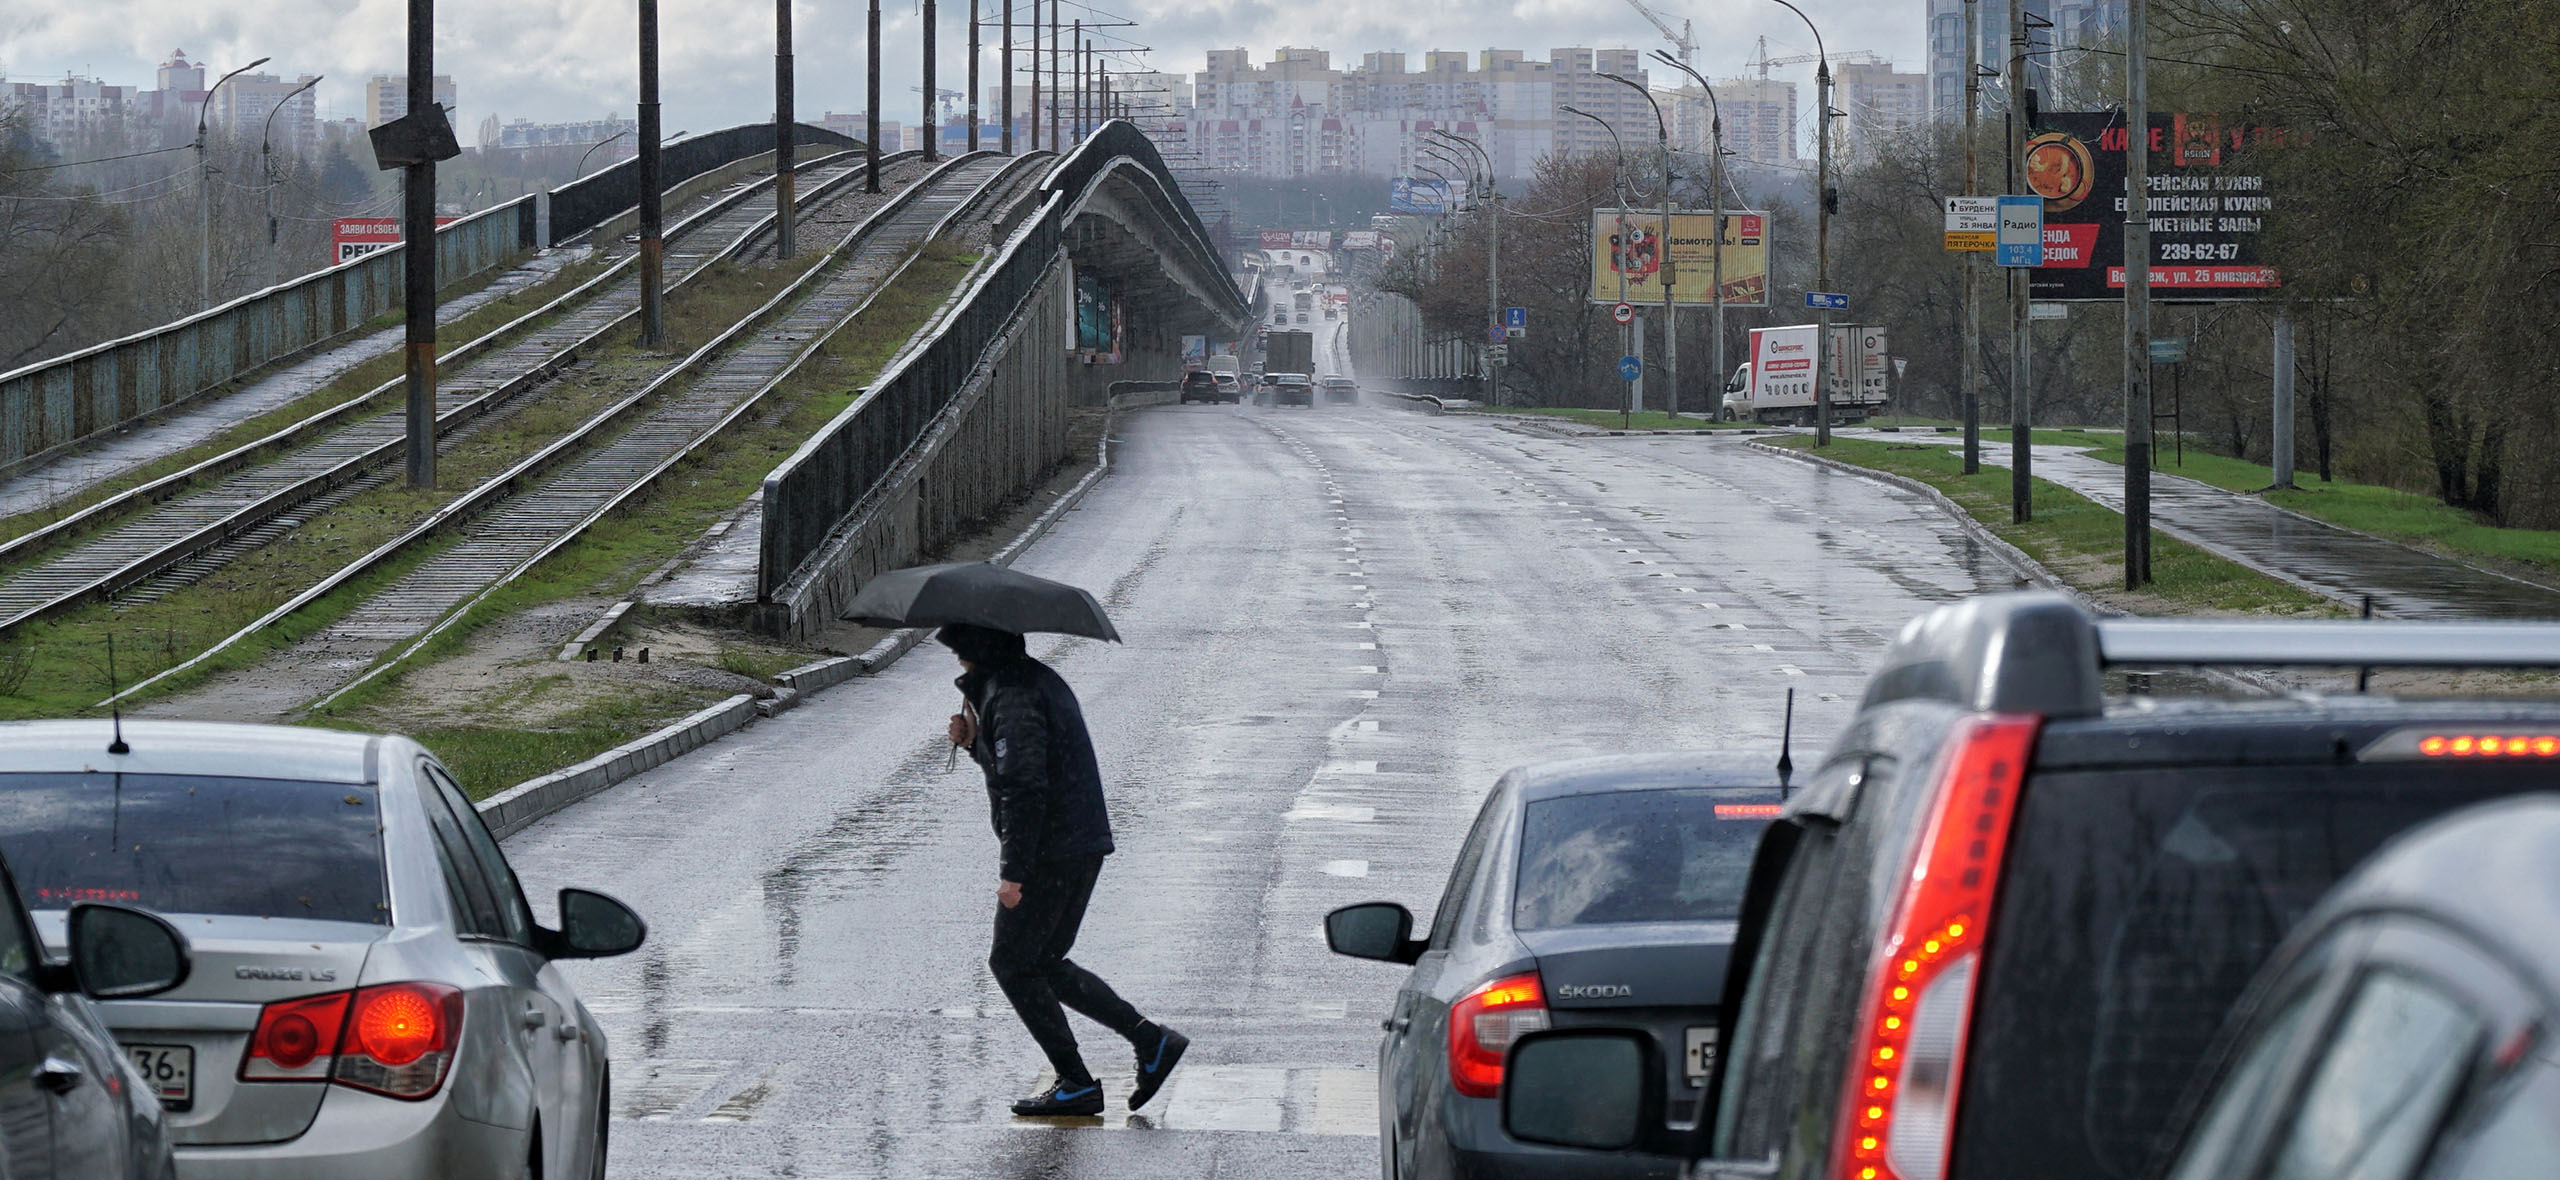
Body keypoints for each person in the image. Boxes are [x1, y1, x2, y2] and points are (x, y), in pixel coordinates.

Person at [940, 623, 1188, 1117]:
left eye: (959, 651)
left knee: (1013, 962)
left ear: (977, 650)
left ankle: (1076, 1081)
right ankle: (1149, 1041)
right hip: (1074, 843)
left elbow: (1025, 788)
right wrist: (974, 745)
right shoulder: (1022, 682)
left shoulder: (1011, 697)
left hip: (1052, 850)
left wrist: (1014, 873)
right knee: (1044, 960)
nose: (957, 662)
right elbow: (1022, 767)